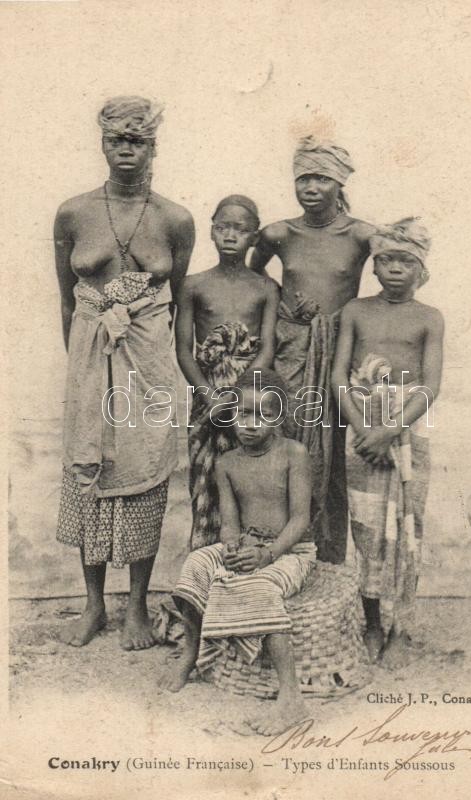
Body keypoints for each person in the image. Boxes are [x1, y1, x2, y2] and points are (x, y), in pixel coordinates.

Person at [55, 96, 195, 650]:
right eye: (118, 140)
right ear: (103, 144)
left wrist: (167, 371)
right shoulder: (73, 212)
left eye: (138, 140)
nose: (127, 150)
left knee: (145, 471)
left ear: (154, 146)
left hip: (150, 357)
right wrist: (83, 372)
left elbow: (178, 301)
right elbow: (66, 302)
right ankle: (93, 606)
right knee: (89, 467)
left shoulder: (175, 219)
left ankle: (136, 606)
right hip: (91, 354)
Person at [159, 369, 316, 735]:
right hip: (246, 543)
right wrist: (232, 547)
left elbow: (300, 520)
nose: (249, 424)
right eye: (243, 413)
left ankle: (291, 697)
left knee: (259, 588)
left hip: (290, 551)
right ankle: (190, 653)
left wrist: (268, 554)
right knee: (198, 563)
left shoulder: (294, 454)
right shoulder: (227, 463)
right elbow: (229, 521)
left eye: (262, 415)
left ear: (278, 417)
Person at [250, 136, 376, 563]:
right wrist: (284, 300)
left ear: (339, 183)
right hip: (293, 351)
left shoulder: (361, 235)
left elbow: (399, 268)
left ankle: (329, 559)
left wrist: (350, 318)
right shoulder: (279, 232)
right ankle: (282, 553)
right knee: (287, 442)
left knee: (335, 456)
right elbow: (255, 279)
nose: (310, 187)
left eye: (321, 178)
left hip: (339, 354)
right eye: (303, 177)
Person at [331, 218, 444, 664]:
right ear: (374, 267)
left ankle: (400, 629)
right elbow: (339, 374)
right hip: (359, 425)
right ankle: (373, 622)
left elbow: (431, 384)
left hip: (407, 429)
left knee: (407, 529)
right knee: (367, 527)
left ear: (421, 269)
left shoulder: (430, 318)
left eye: (406, 261)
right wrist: (362, 428)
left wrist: (389, 429)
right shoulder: (356, 311)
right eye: (387, 260)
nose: (396, 269)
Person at [176, 196, 279, 550]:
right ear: (212, 232)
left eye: (241, 229)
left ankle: (248, 565)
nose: (231, 235)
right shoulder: (193, 285)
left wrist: (239, 397)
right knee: (206, 477)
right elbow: (184, 351)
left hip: (251, 396)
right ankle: (205, 566)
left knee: (252, 477)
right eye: (223, 227)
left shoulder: (266, 288)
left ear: (254, 237)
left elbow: (267, 348)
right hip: (208, 396)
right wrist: (210, 397)